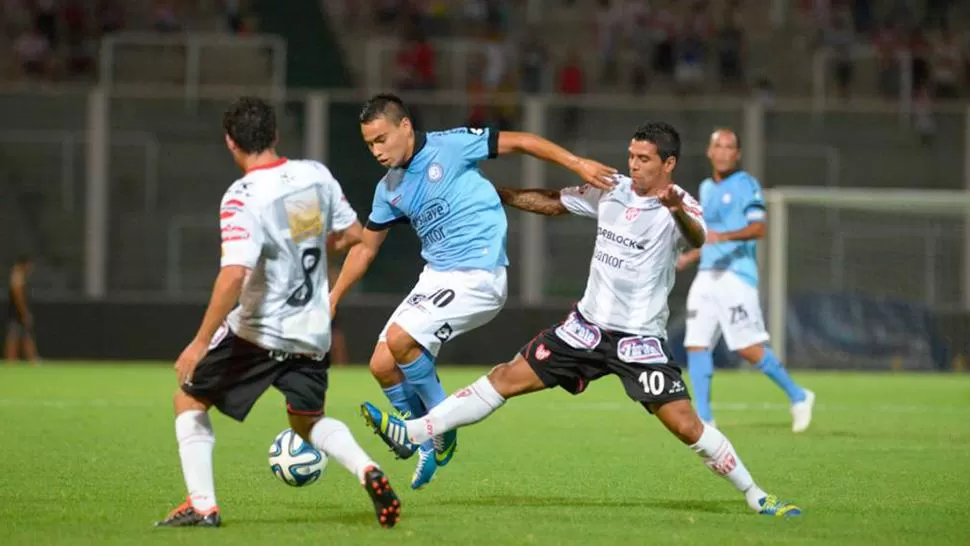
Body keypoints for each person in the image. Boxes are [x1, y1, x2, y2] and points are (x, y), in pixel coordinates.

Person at [361, 122, 801, 518]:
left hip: (638, 341)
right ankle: (416, 431)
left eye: (644, 159)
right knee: (507, 377)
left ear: (669, 163)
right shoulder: (614, 189)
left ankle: (757, 495)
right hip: (585, 330)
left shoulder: (680, 206)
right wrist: (499, 195)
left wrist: (675, 210)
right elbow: (554, 202)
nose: (634, 165)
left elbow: (697, 237)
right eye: (632, 156)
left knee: (686, 425)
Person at [329, 93, 615, 490]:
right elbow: (365, 249)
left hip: (479, 275)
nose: (376, 151)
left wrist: (577, 163)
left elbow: (523, 141)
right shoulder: (388, 189)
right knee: (380, 364)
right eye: (369, 144)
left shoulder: (451, 144)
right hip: (437, 277)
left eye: (381, 139)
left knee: (400, 339)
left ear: (405, 127)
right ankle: (425, 442)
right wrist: (331, 299)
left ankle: (439, 428)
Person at [155, 97, 401, 529]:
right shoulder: (314, 176)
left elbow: (234, 274)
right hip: (311, 330)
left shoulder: (242, 196)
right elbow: (352, 237)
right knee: (307, 420)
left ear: (231, 143)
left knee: (189, 398)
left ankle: (203, 504)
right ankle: (367, 469)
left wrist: (198, 343)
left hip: (260, 331)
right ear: (276, 135)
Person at [676, 128, 814, 432]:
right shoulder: (706, 187)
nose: (723, 152)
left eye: (730, 147)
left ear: (737, 154)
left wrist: (721, 237)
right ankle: (706, 419)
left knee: (746, 347)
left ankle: (799, 395)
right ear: (710, 152)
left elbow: (758, 229)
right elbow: (709, 236)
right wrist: (691, 256)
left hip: (736, 276)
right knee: (696, 344)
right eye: (718, 146)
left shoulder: (746, 185)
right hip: (707, 276)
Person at [5, 255, 39, 362]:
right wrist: (24, 313)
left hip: (16, 313)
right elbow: (18, 296)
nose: (30, 268)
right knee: (14, 336)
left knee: (25, 335)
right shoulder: (17, 276)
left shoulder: (18, 276)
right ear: (24, 264)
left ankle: (32, 358)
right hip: (16, 314)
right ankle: (11, 360)